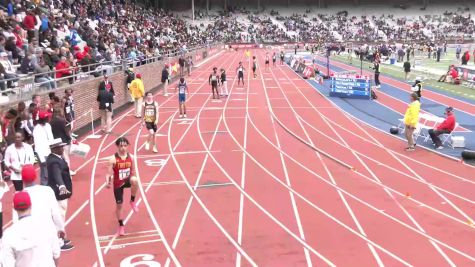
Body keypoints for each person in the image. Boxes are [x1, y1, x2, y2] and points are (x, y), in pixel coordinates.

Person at [1, 191, 61, 266]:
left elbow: (8, 263)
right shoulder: (46, 225)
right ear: (31, 205)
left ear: (14, 208)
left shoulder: (8, 234)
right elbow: (56, 254)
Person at [22, 164, 73, 251]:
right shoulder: (47, 190)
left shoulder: (19, 196)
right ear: (35, 176)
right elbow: (56, 214)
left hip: (31, 237)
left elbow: (18, 221)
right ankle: (59, 244)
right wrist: (61, 230)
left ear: (22, 178)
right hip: (48, 232)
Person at [106, 137, 139, 236]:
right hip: (118, 183)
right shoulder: (112, 159)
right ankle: (121, 225)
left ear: (127, 146)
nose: (123, 148)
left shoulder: (132, 157)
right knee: (119, 205)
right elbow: (108, 174)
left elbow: (133, 171)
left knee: (135, 180)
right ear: (117, 146)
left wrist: (134, 180)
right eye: (121, 146)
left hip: (127, 180)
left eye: (125, 146)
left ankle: (132, 201)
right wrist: (107, 182)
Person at [46, 138, 73, 237]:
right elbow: (57, 174)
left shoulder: (56, 158)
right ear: (55, 149)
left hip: (59, 193)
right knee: (60, 215)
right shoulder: (54, 162)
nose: (62, 149)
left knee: (59, 215)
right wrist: (62, 186)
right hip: (59, 194)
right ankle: (60, 238)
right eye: (61, 147)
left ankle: (59, 235)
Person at [33, 111, 54, 185]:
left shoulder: (48, 125)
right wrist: (41, 158)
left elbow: (51, 138)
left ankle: (50, 183)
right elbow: (37, 144)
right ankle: (44, 184)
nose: (48, 118)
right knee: (44, 169)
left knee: (50, 169)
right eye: (47, 117)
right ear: (43, 119)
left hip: (49, 151)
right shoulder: (36, 129)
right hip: (41, 152)